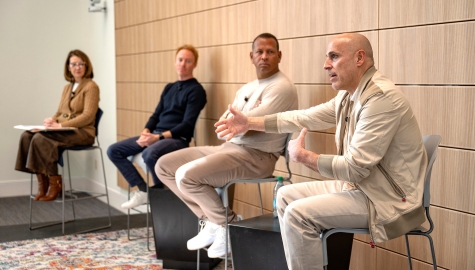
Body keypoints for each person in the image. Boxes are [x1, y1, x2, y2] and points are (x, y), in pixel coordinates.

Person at [214, 33, 428, 269]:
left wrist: (305, 157)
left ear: (359, 58)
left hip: (386, 200)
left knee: (297, 214)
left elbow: (354, 168)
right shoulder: (349, 96)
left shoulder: (380, 99)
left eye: (334, 57)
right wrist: (250, 123)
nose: (326, 65)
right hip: (363, 188)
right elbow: (303, 117)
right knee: (286, 196)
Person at [155, 33, 298, 258]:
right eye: (259, 52)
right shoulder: (247, 88)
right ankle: (211, 220)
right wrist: (247, 118)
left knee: (186, 176)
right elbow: (224, 127)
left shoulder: (282, 87)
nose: (264, 57)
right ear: (251, 56)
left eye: (270, 52)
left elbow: (242, 125)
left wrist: (245, 120)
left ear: (279, 55)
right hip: (230, 148)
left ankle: (227, 225)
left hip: (257, 157)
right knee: (164, 166)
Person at [107, 45, 207, 209]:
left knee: (150, 153)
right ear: (175, 62)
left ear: (194, 64)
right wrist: (146, 132)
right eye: (180, 60)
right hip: (155, 136)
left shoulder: (196, 90)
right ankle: (144, 190)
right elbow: (156, 115)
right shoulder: (169, 88)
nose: (183, 64)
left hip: (176, 139)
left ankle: (162, 193)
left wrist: (158, 137)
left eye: (188, 61)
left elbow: (187, 126)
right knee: (113, 150)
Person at [15, 49, 100, 201]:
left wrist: (60, 126)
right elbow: (60, 112)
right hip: (65, 130)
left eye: (81, 64)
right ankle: (43, 182)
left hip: (83, 133)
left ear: (86, 66)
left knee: (41, 139)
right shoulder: (67, 87)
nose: (77, 67)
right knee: (27, 136)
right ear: (68, 67)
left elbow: (88, 116)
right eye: (74, 64)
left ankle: (56, 183)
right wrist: (51, 121)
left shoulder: (91, 86)